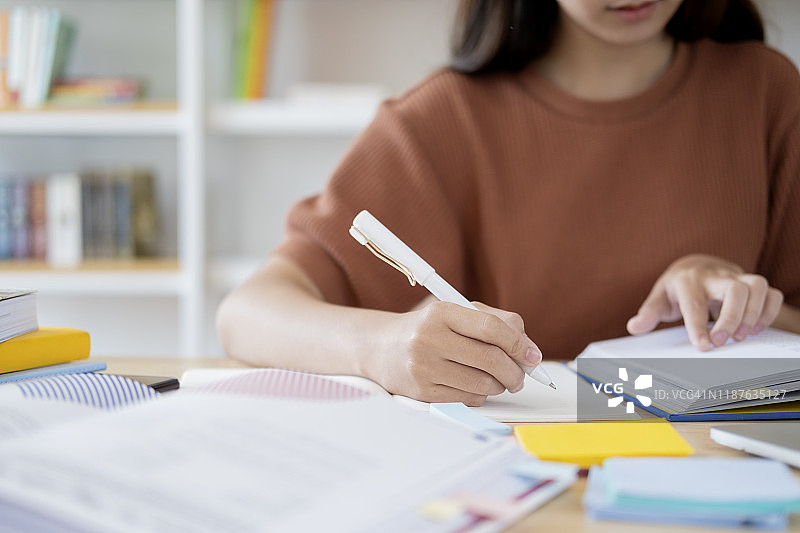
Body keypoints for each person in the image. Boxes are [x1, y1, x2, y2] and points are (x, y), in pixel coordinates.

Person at [217, 0, 800, 406]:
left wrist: (743, 307)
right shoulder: (440, 121)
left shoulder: (768, 94)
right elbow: (246, 315)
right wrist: (383, 348)